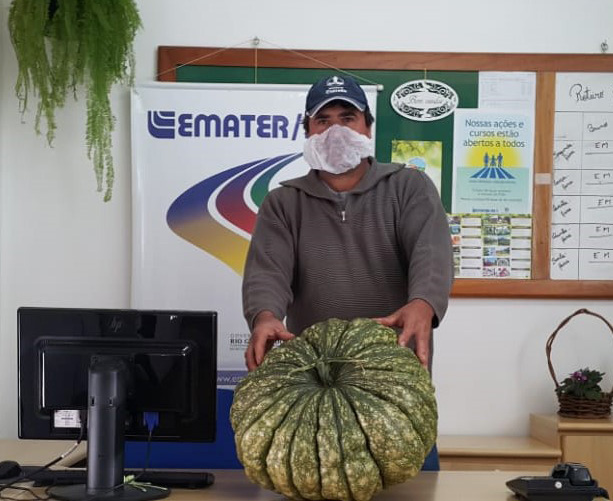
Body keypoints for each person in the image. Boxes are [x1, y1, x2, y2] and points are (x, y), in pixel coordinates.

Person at [242, 74, 454, 372]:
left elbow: (431, 253)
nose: (336, 130)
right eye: (323, 121)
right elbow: (267, 271)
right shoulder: (283, 202)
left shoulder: (409, 186)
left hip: (395, 363)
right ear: (308, 131)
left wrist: (424, 303)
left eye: (347, 118)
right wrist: (264, 316)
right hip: (314, 369)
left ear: (367, 127)